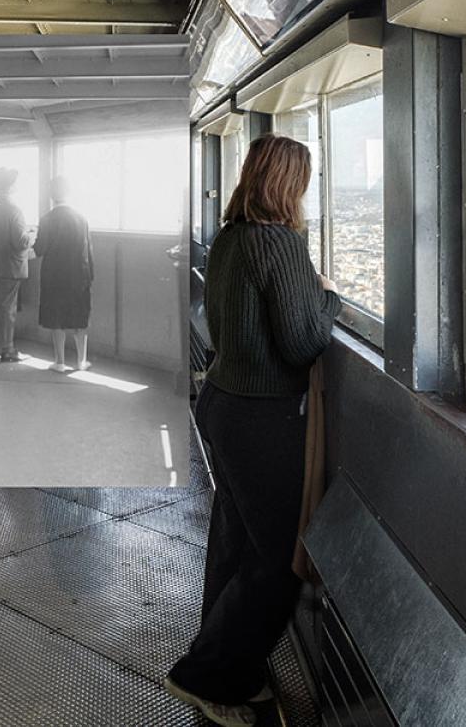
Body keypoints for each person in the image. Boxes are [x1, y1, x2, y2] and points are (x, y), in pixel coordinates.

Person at [164, 135, 340, 727]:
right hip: (262, 419)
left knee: (234, 548)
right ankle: (205, 676)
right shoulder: (281, 245)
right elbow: (302, 342)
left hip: (221, 403)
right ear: (291, 185)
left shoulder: (230, 240)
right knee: (279, 563)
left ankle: (230, 672)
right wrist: (332, 305)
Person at [33, 177, 93, 372]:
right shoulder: (81, 218)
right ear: (69, 192)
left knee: (56, 317)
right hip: (78, 275)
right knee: (80, 317)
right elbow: (88, 250)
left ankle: (59, 361)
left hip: (54, 275)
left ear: (51, 196)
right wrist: (90, 275)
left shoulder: (47, 219)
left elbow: (39, 249)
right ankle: (81, 361)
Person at [0, 166, 35, 363]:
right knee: (7, 308)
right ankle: (7, 348)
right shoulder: (14, 211)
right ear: (10, 187)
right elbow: (20, 242)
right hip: (11, 266)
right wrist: (31, 235)